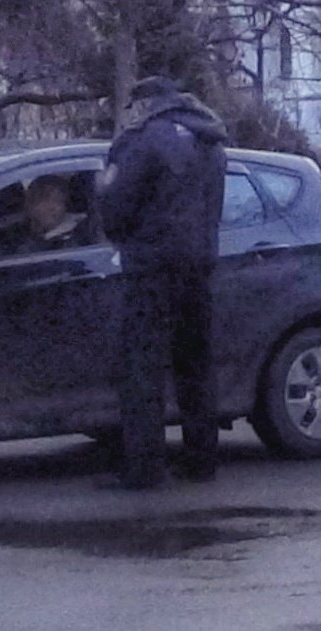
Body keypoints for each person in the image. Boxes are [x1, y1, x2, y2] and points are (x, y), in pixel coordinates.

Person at [96, 71, 228, 485]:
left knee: (142, 368)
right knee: (195, 365)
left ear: (143, 103)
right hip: (200, 264)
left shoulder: (144, 141)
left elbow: (116, 208)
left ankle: (144, 469)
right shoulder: (210, 140)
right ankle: (201, 460)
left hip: (152, 266)